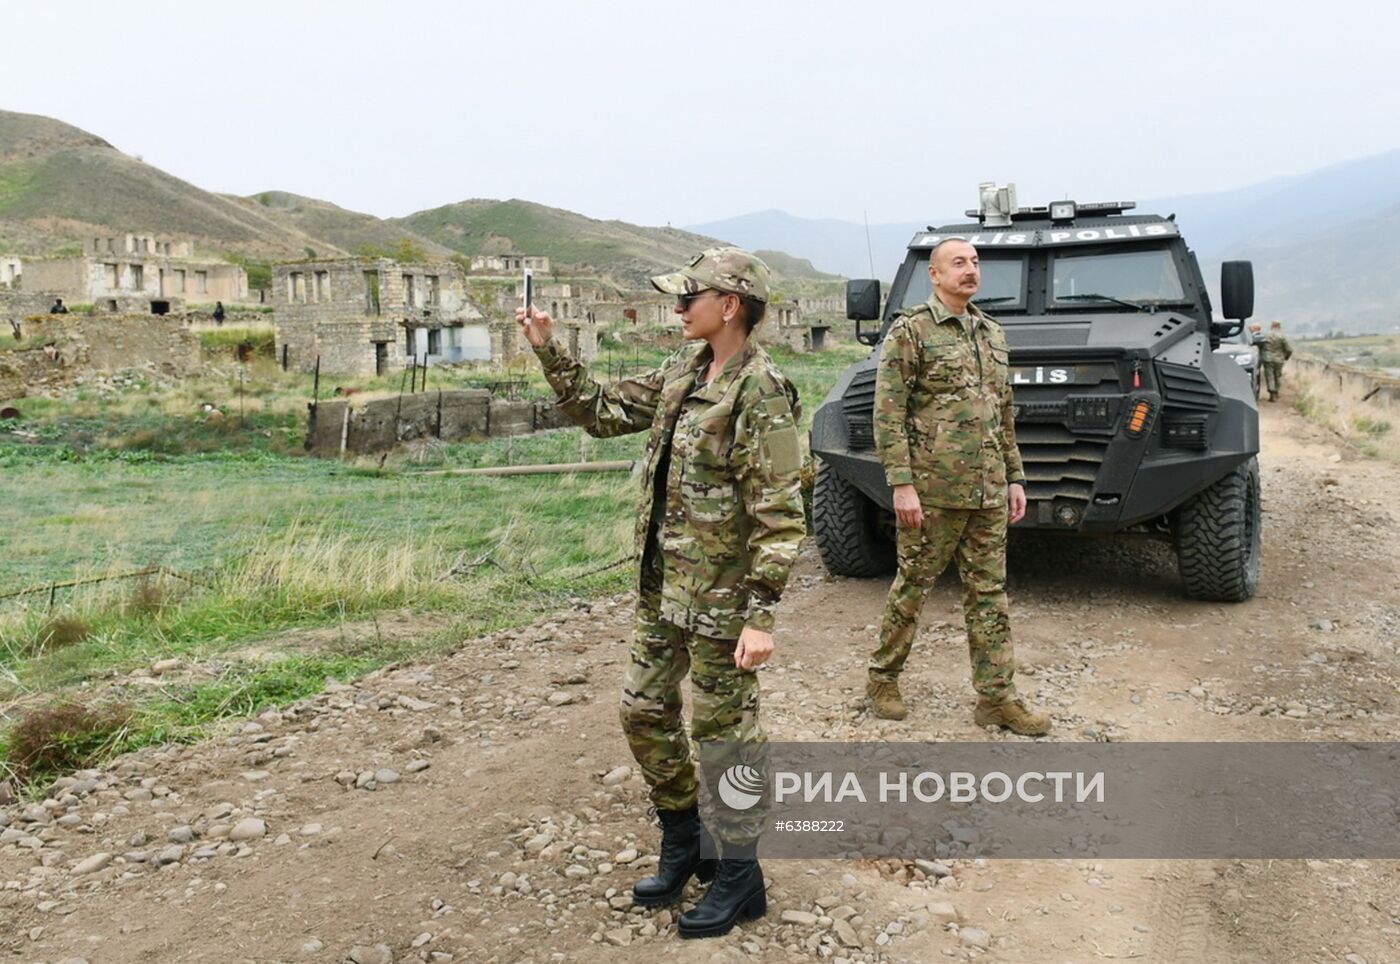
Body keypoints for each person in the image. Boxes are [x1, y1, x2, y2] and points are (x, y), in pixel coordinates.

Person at [515, 246, 805, 939]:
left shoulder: (761, 389)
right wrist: (549, 349)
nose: (678, 309)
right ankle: (686, 842)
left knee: (725, 740)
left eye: (688, 298)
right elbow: (603, 410)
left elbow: (780, 512)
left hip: (722, 604)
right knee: (642, 711)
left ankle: (739, 875)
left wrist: (760, 615)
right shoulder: (684, 369)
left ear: (728, 305)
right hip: (664, 589)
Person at [867, 237, 1050, 736]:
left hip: (989, 490)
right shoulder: (912, 331)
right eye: (958, 263)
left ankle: (996, 699)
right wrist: (902, 485)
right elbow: (888, 415)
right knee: (914, 587)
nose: (970, 271)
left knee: (989, 594)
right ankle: (882, 678)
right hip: (933, 492)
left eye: (974, 263)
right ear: (934, 274)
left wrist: (1015, 476)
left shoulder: (990, 332)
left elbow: (1003, 413)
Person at [1261, 320, 1293, 402]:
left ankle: (1272, 392)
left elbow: (1261, 346)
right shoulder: (1282, 336)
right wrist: (1286, 357)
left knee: (1269, 375)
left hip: (1267, 358)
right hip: (1279, 359)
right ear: (1279, 326)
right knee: (1277, 375)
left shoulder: (1265, 335)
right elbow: (1289, 349)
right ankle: (1277, 391)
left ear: (1271, 326)